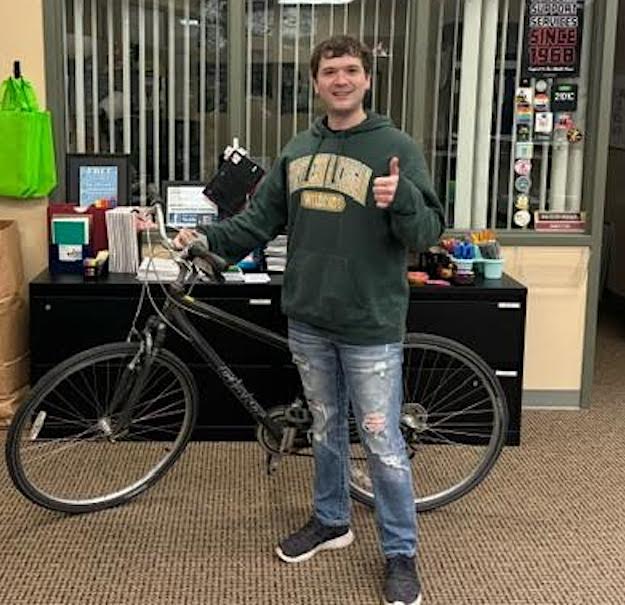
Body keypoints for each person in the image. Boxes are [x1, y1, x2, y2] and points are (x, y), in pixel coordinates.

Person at [174, 35, 444, 605]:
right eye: (329, 72)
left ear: (367, 79)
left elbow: (425, 236)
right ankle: (331, 521)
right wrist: (206, 238)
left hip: (370, 322)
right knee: (324, 428)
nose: (340, 80)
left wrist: (401, 200)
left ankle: (400, 553)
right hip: (310, 319)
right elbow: (257, 221)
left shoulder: (396, 147)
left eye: (350, 70)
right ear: (316, 82)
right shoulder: (299, 149)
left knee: (382, 444)